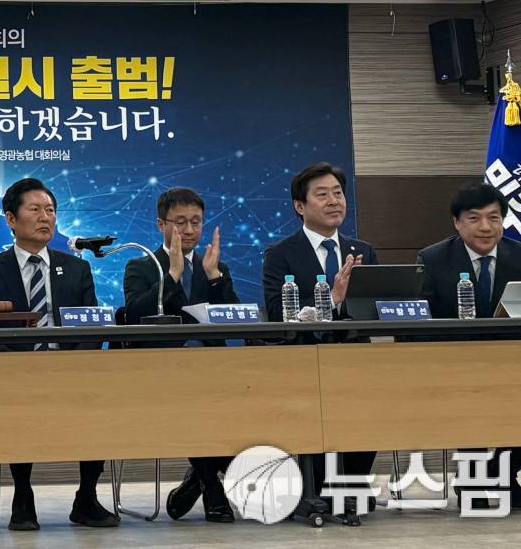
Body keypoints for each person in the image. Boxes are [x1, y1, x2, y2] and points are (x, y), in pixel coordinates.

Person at [0, 177, 120, 531]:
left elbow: (92, 326)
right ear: (11, 219)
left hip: (71, 370)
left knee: (98, 399)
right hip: (16, 373)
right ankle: (23, 496)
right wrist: (22, 365)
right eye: (35, 210)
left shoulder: (77, 268)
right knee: (18, 402)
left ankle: (87, 497)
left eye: (50, 210)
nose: (45, 218)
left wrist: (69, 363)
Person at [261, 162, 377, 520]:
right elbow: (278, 314)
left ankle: (352, 483)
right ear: (300, 206)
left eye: (338, 193)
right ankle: (318, 489)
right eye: (322, 195)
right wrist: (333, 299)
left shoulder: (362, 251)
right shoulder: (280, 254)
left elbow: (374, 309)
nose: (333, 201)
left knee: (372, 400)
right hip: (301, 360)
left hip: (354, 360)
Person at [419, 181, 521, 510]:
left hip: (513, 362)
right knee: (468, 402)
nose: (486, 227)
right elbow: (422, 320)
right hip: (454, 363)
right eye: (474, 218)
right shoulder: (433, 258)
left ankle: (501, 473)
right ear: (457, 223)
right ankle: (473, 478)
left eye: (494, 217)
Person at [122, 187, 237, 523]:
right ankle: (212, 488)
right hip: (161, 373)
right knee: (193, 401)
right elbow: (134, 315)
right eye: (180, 222)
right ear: (161, 224)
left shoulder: (213, 266)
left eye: (196, 222)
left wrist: (214, 278)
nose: (188, 230)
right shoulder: (141, 266)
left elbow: (235, 317)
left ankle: (198, 479)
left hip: (213, 371)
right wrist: (171, 275)